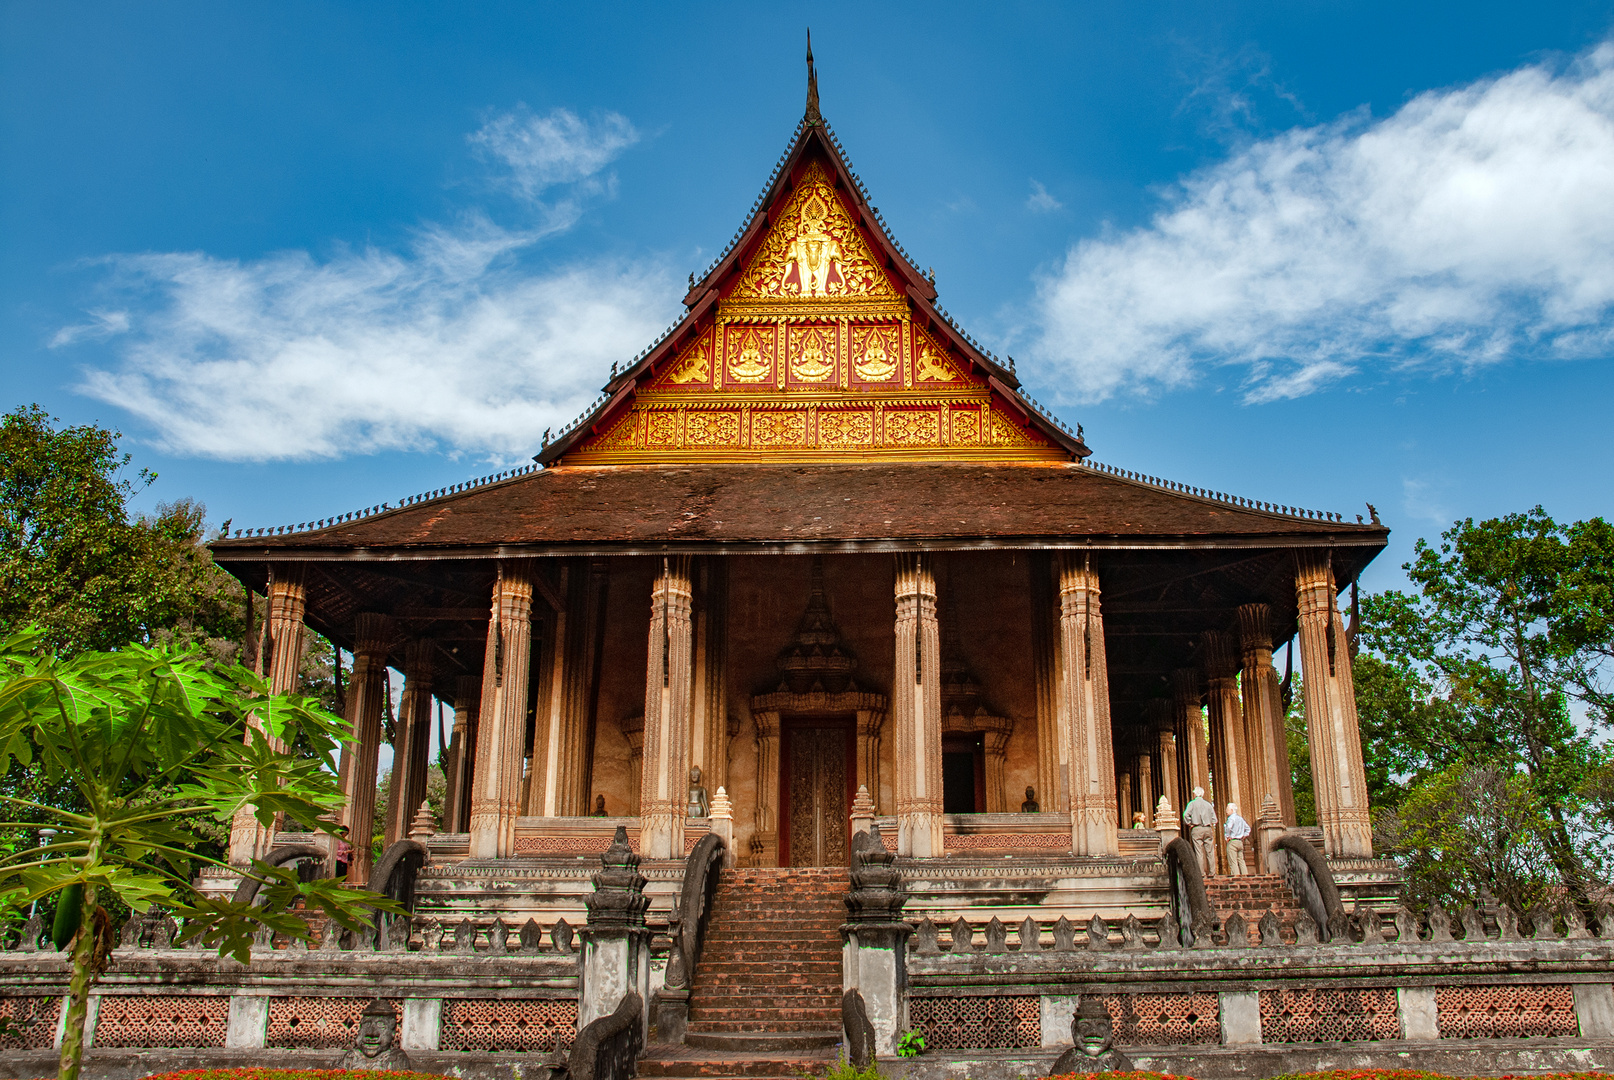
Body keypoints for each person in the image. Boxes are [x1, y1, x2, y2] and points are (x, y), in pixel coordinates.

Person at [1050, 996, 1133, 1075]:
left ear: (1109, 1029)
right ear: (1074, 1029)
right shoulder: (1066, 1060)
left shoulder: (1119, 1060)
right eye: (1085, 1026)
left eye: (1101, 1026)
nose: (1094, 1032)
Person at [335, 998, 412, 1071]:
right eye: (366, 1024)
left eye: (381, 1025)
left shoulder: (396, 1057)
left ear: (392, 1032)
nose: (371, 1033)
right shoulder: (351, 1057)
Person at [1182, 786, 1218, 877]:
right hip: (1207, 828)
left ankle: (1201, 873)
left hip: (1197, 828)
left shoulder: (1192, 804)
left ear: (1195, 794)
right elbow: (1215, 819)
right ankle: (1212, 872)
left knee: (1199, 852)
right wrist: (1209, 823)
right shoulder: (1208, 804)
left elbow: (1185, 815)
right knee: (1210, 851)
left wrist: (1190, 823)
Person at [1224, 802, 1251, 876]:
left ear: (1232, 810)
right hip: (1240, 842)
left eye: (1227, 809)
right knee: (1241, 860)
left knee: (1233, 861)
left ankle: (1236, 877)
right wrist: (1244, 836)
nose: (1226, 811)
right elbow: (1248, 829)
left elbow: (1229, 827)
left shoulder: (1231, 818)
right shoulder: (1240, 818)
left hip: (1233, 841)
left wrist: (1228, 836)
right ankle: (1245, 876)